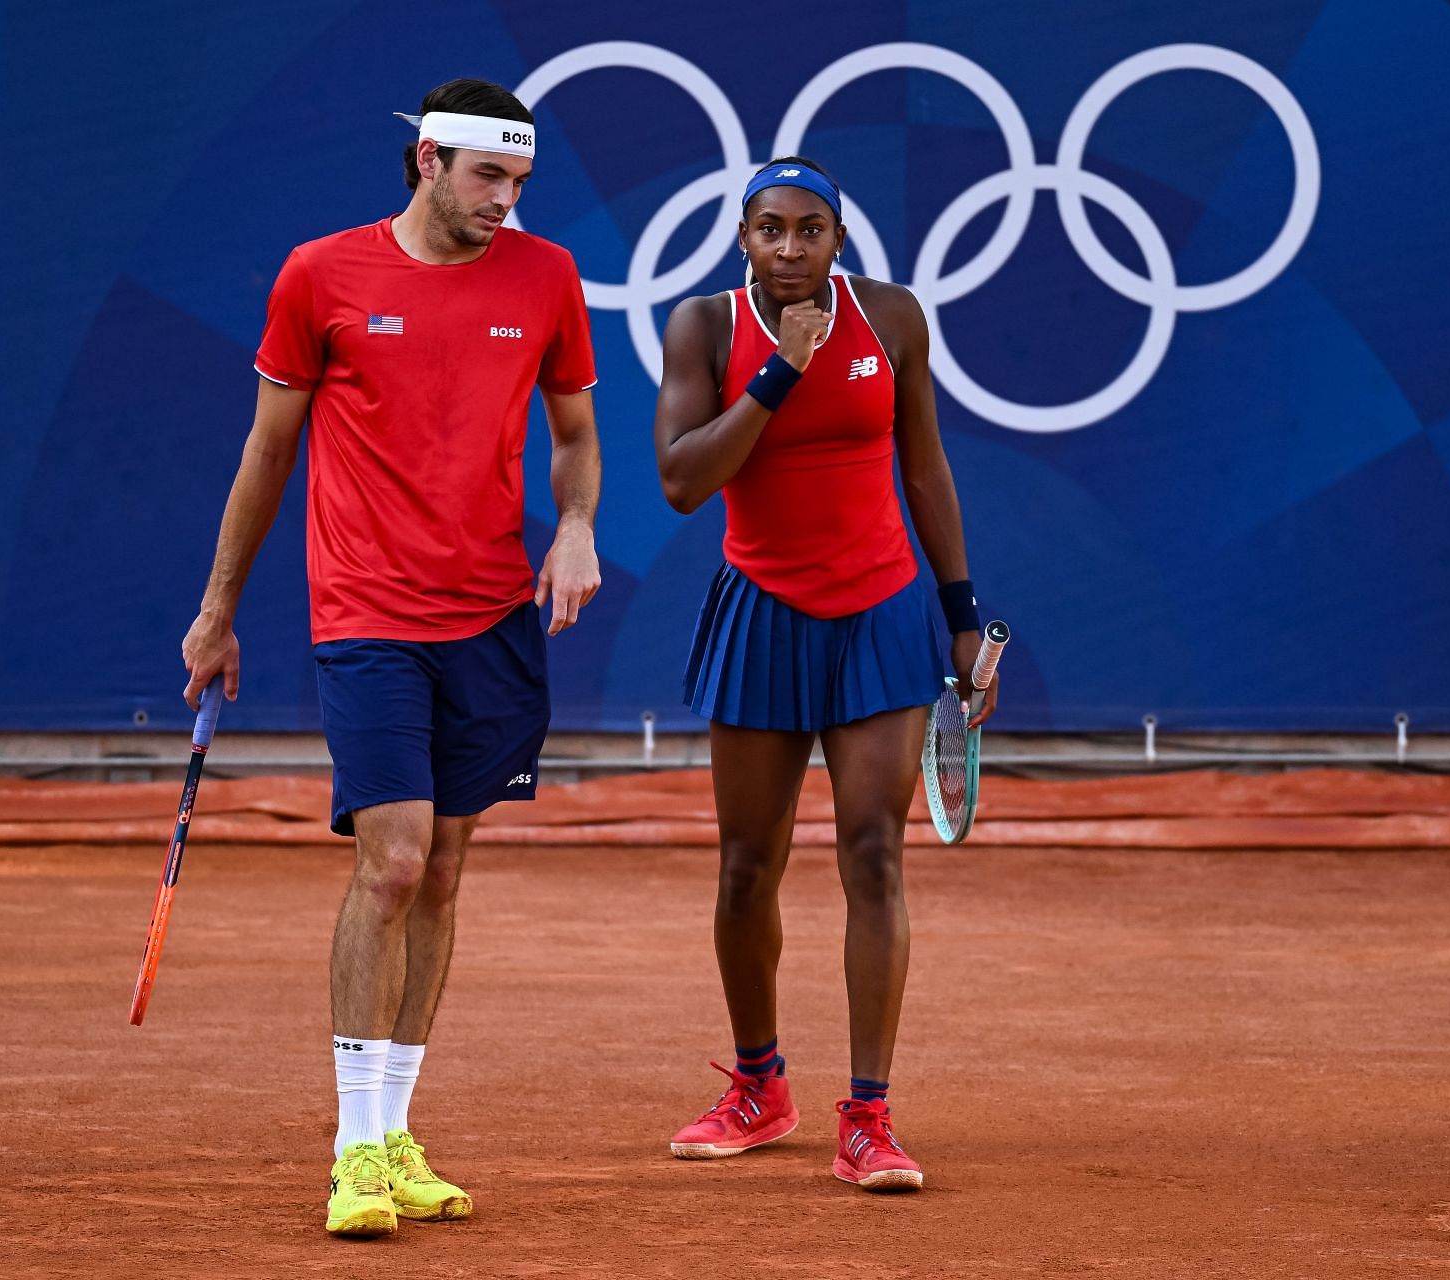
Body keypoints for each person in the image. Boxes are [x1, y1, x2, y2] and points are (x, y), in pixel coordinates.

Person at [178, 78, 601, 1237]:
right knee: (399, 860)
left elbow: (574, 435)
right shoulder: (321, 275)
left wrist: (574, 525)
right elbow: (268, 454)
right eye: (486, 178)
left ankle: (399, 1130)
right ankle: (354, 1145)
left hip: (491, 617)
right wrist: (217, 613)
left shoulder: (547, 277)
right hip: (366, 611)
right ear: (426, 159)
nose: (505, 202)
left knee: (450, 867)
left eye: (520, 183)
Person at [652, 157, 996, 1193]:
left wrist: (961, 618)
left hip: (882, 613)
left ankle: (868, 1115)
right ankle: (760, 1085)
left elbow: (924, 466)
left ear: (838, 240)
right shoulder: (703, 330)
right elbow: (681, 480)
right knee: (746, 865)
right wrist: (778, 373)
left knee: (872, 852)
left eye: (811, 229)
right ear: (742, 237)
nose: (791, 247)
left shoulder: (893, 318)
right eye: (771, 229)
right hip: (761, 612)